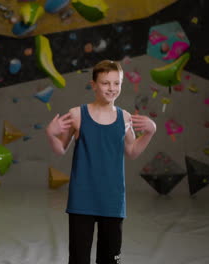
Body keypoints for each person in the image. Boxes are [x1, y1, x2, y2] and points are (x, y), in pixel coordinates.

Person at [45, 60, 156, 264]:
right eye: (105, 83)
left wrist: (150, 132)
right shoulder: (77, 114)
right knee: (79, 259)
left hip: (113, 200)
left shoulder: (125, 118)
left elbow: (132, 151)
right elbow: (61, 149)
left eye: (116, 83)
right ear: (94, 84)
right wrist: (51, 135)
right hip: (82, 199)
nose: (111, 88)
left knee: (109, 259)